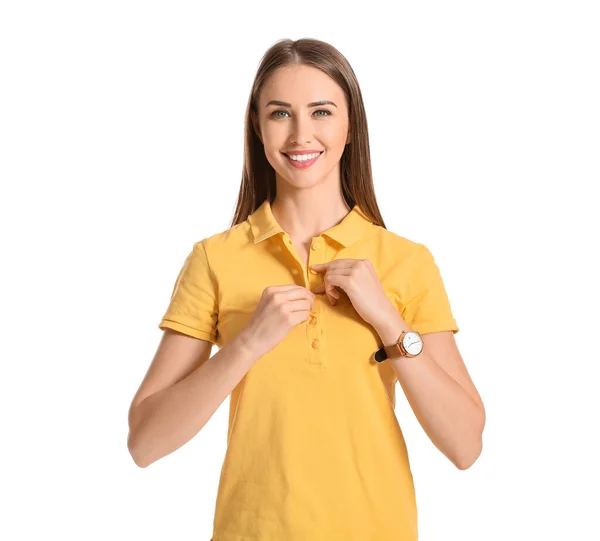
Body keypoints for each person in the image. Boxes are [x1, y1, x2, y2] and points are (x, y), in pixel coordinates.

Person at [127, 37, 485, 541]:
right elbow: (144, 442)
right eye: (280, 114)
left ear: (349, 125)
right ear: (258, 125)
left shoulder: (406, 262)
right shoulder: (214, 259)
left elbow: (466, 446)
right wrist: (248, 343)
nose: (301, 135)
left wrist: (388, 321)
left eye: (321, 111)